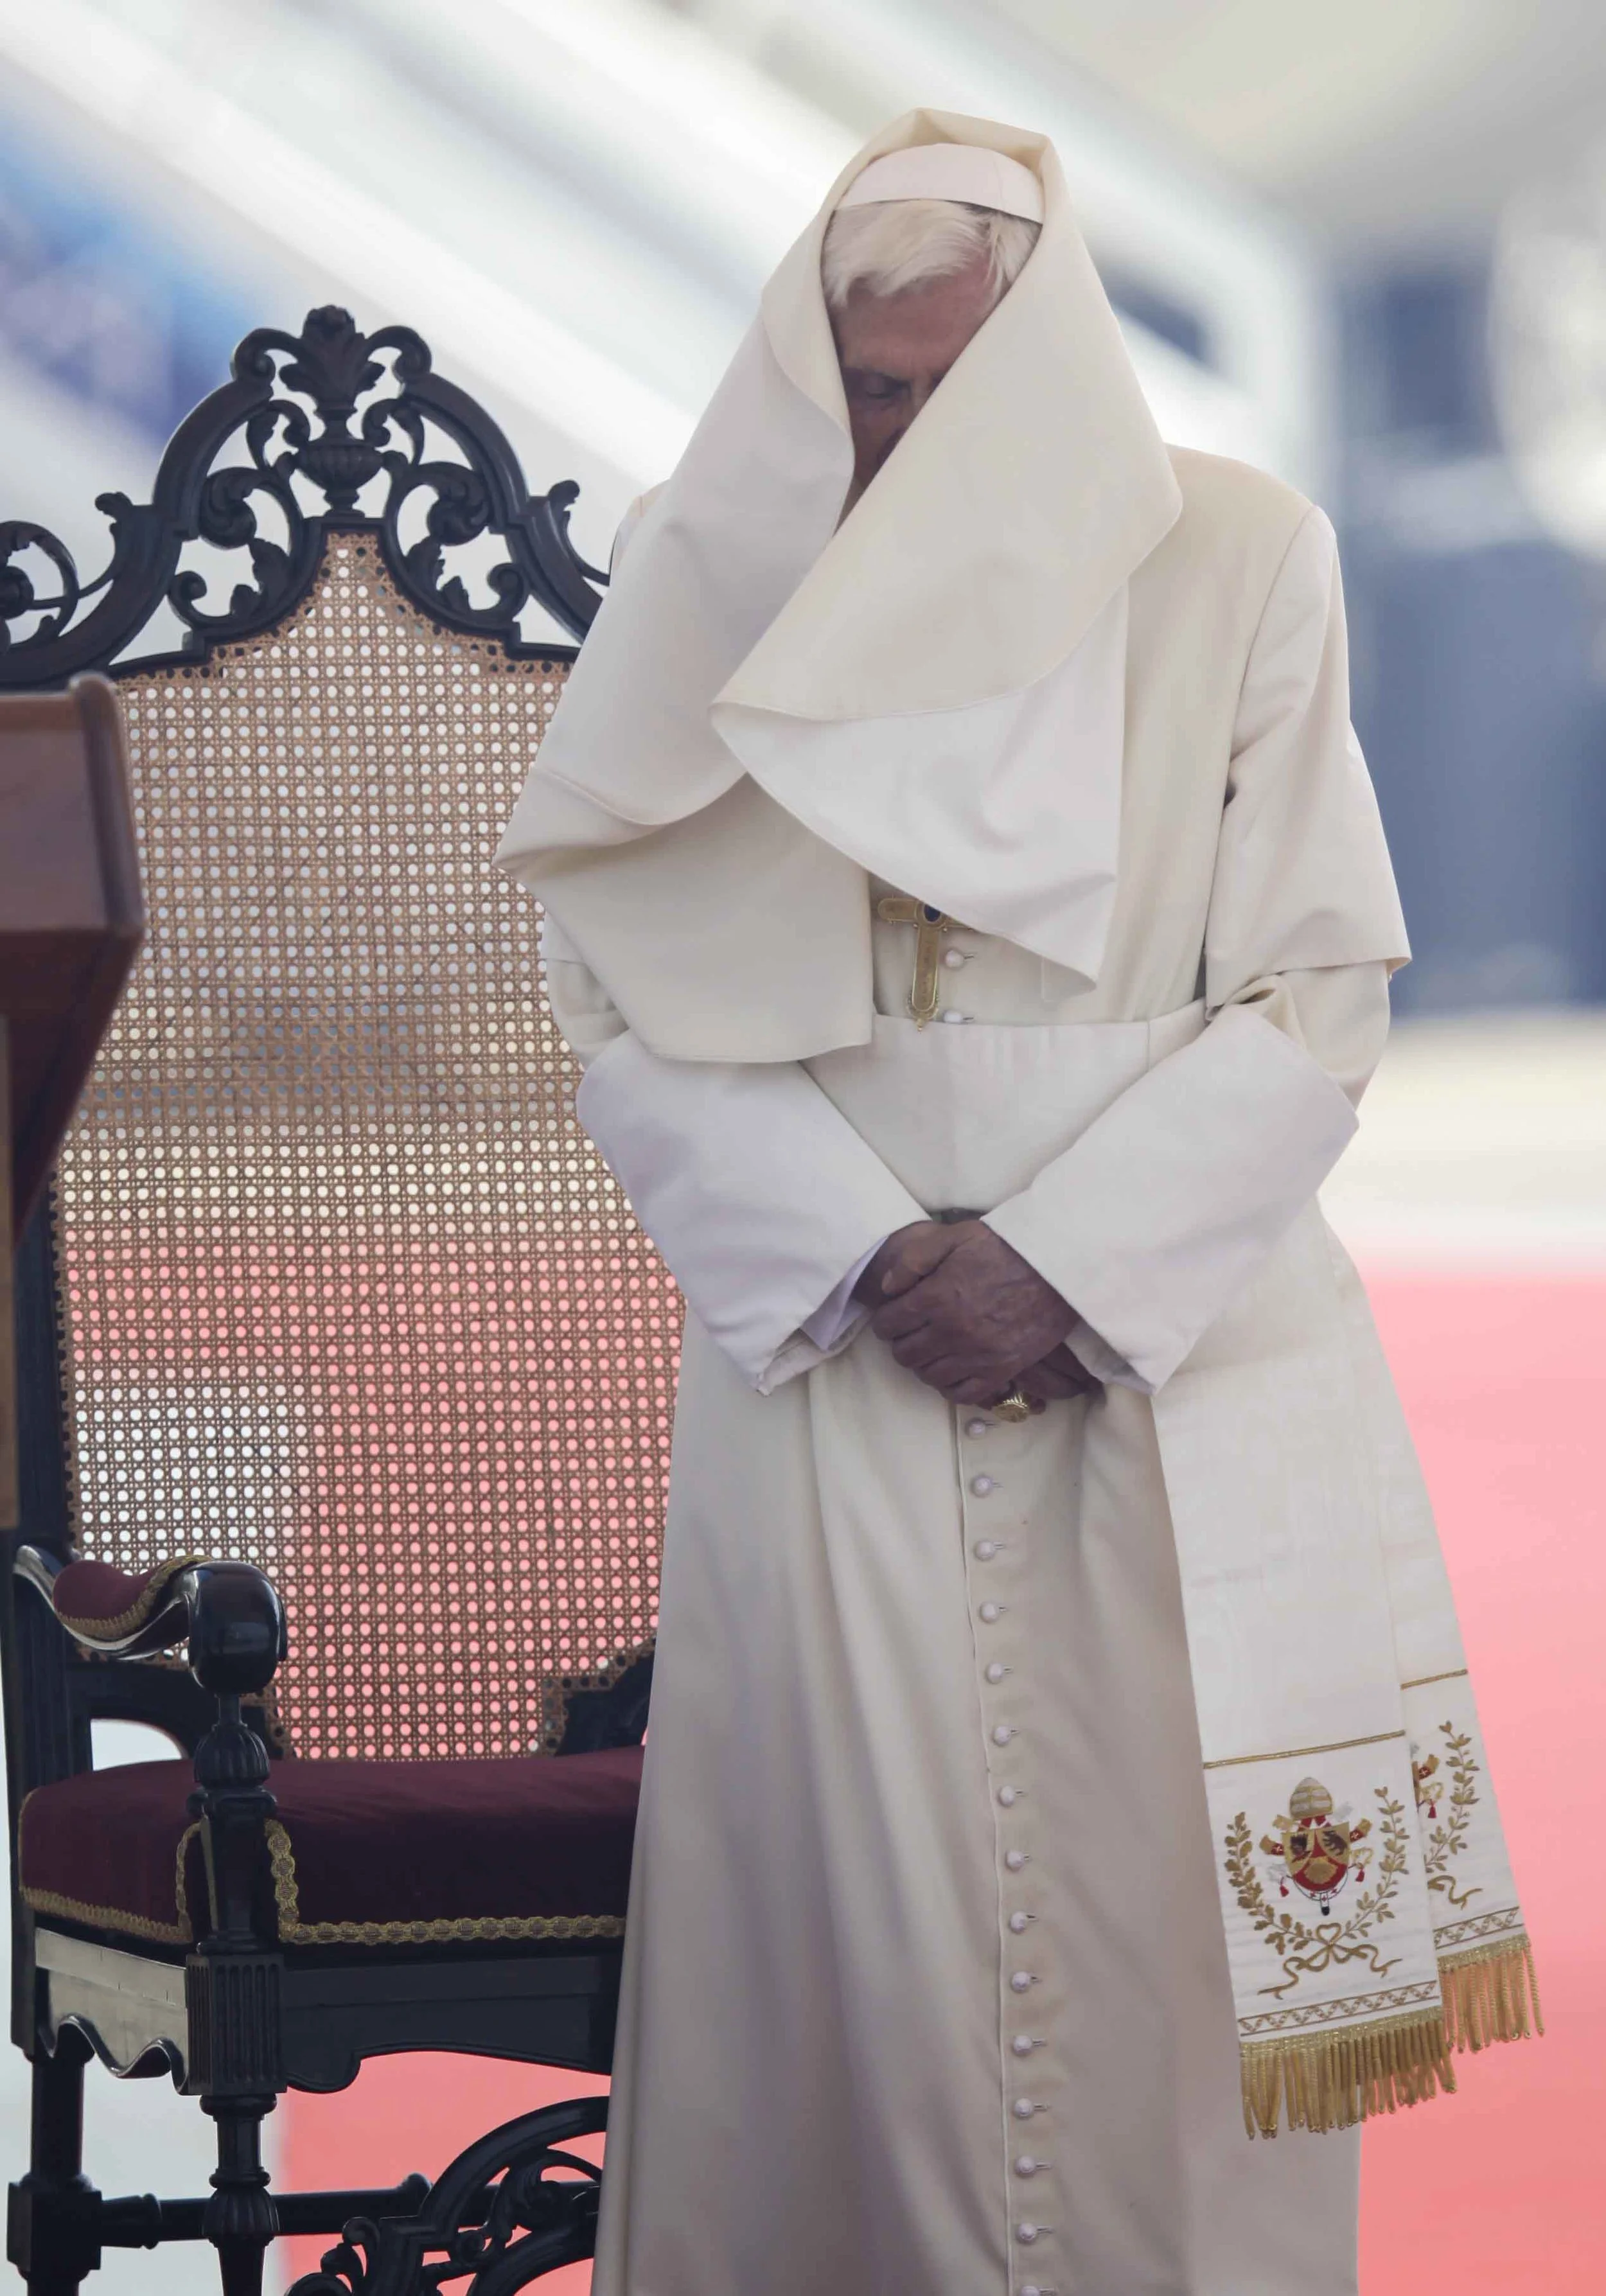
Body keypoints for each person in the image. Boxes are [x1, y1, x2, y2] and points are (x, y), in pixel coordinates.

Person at [497, 110, 1538, 2296]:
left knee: (1175, 1976)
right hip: (833, 1359)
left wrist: (1057, 1266)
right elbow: (613, 976)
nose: (909, 435)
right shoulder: (710, 548)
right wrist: (883, 1254)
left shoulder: (1241, 549)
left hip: (1169, 1356)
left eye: (958, 383)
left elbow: (1312, 980)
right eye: (868, 390)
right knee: (847, 1976)